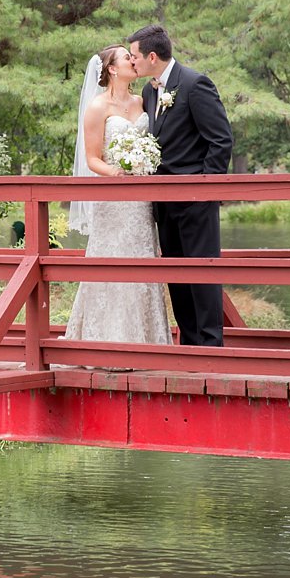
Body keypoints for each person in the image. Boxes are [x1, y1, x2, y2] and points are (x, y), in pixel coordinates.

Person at [127, 23, 234, 347]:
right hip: (163, 202)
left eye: (134, 56)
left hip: (195, 200)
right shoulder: (149, 91)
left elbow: (220, 140)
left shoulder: (194, 84)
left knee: (203, 276)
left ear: (153, 56)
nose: (132, 62)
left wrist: (205, 190)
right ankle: (188, 345)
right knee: (176, 276)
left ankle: (211, 347)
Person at [63, 45, 171, 345]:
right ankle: (106, 343)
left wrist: (145, 162)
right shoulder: (98, 107)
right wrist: (116, 172)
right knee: (112, 264)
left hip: (141, 202)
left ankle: (147, 343)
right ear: (112, 68)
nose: (133, 61)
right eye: (127, 57)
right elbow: (92, 158)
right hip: (113, 201)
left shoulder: (144, 99)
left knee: (142, 261)